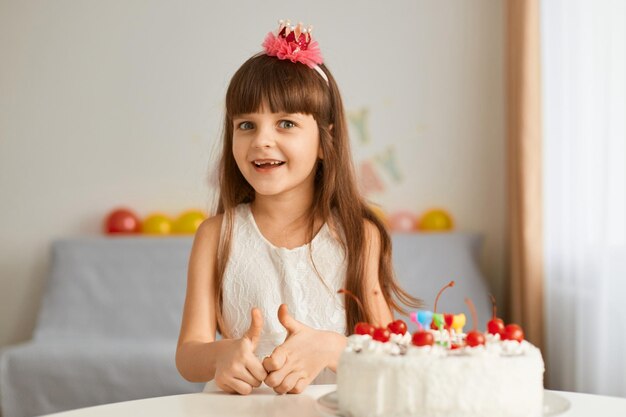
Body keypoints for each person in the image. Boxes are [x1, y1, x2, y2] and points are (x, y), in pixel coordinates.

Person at [176, 19, 420, 396]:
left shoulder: (359, 235)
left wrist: (330, 347)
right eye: (246, 125)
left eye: (286, 123)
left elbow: (390, 353)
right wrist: (221, 355)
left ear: (326, 141)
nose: (262, 141)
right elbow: (188, 355)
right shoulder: (215, 235)